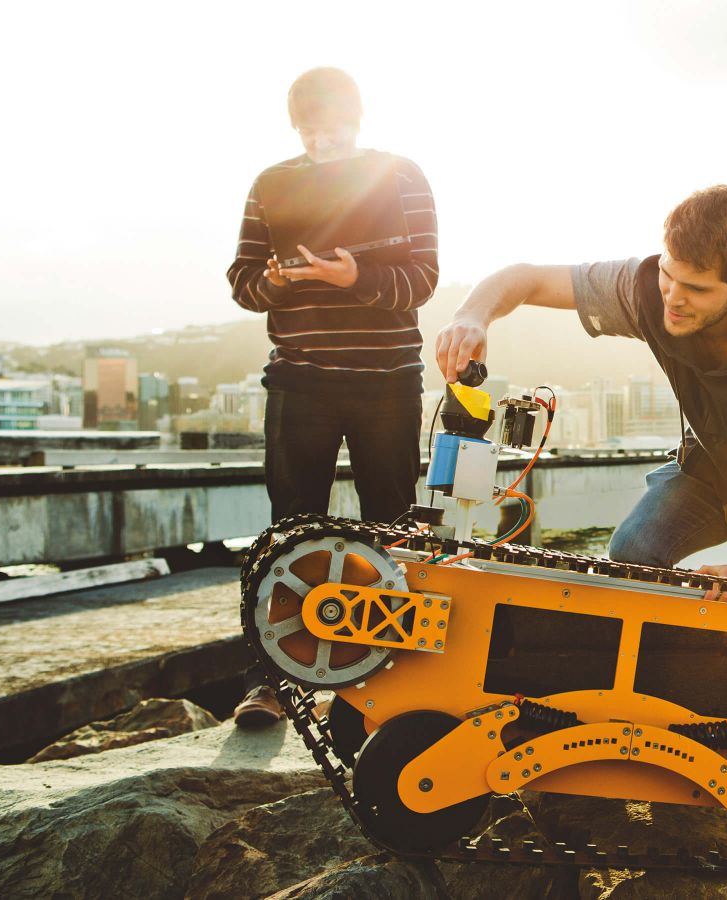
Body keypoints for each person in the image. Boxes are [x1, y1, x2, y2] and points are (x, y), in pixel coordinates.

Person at [432, 185, 727, 810]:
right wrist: (472, 316)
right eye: (670, 276)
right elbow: (527, 278)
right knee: (631, 553)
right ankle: (624, 733)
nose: (673, 296)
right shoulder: (646, 286)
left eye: (696, 289)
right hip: (709, 472)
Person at [226, 67, 439, 727]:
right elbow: (241, 281)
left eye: (334, 129)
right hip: (300, 378)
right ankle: (272, 684)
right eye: (310, 131)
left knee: (391, 531)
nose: (322, 142)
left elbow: (424, 278)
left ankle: (390, 688)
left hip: (387, 381)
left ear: (358, 118)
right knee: (289, 532)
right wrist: (277, 282)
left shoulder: (401, 175)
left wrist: (358, 275)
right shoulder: (271, 183)